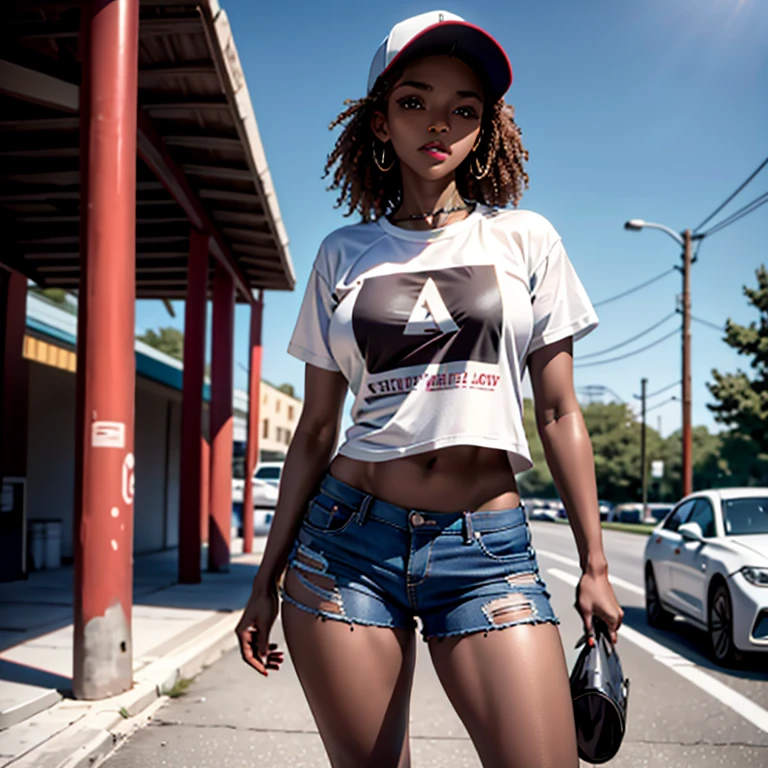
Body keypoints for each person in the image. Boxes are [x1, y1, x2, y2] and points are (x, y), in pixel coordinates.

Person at [236, 10, 624, 767]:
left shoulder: (526, 239)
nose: (438, 123)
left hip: (487, 549)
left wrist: (596, 565)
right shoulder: (343, 253)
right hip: (345, 546)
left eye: (464, 108)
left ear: (486, 129)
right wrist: (264, 579)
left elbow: (558, 409)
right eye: (414, 101)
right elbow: (316, 429)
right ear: (379, 121)